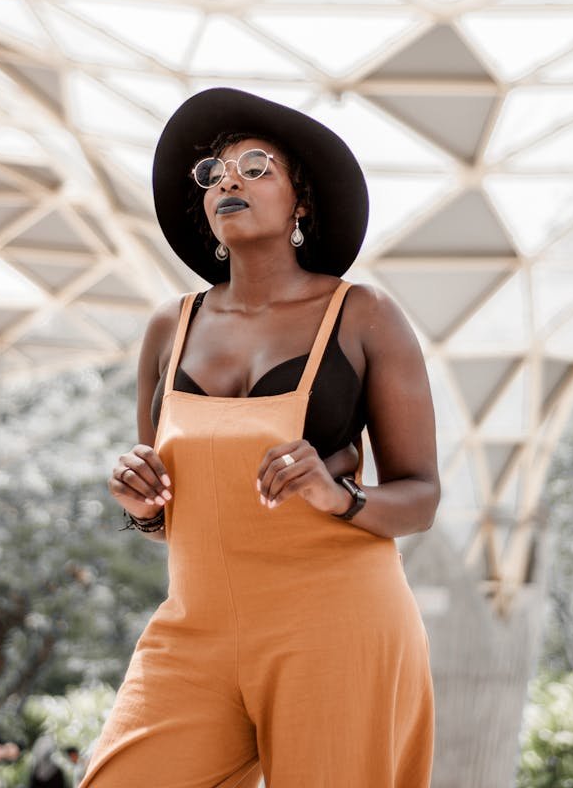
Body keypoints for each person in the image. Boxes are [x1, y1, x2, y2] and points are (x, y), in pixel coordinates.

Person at [80, 87, 440, 788]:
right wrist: (141, 502)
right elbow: (163, 514)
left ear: (300, 202)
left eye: (255, 165)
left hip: (335, 625)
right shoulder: (169, 326)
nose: (229, 180)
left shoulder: (362, 314)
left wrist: (338, 497)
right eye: (213, 173)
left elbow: (420, 496)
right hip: (196, 628)